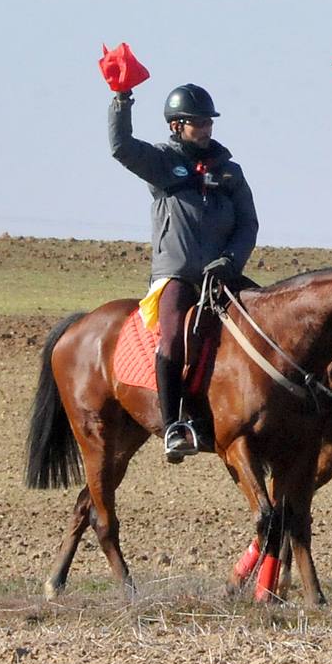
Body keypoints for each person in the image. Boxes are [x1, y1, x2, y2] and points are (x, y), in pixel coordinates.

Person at [109, 82, 258, 462]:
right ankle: (175, 423)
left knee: (264, 327)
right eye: (198, 122)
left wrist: (229, 261)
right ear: (177, 126)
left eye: (208, 122)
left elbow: (247, 225)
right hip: (177, 277)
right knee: (173, 340)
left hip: (223, 275)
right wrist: (122, 100)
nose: (206, 128)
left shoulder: (231, 172)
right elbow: (121, 147)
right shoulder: (160, 162)